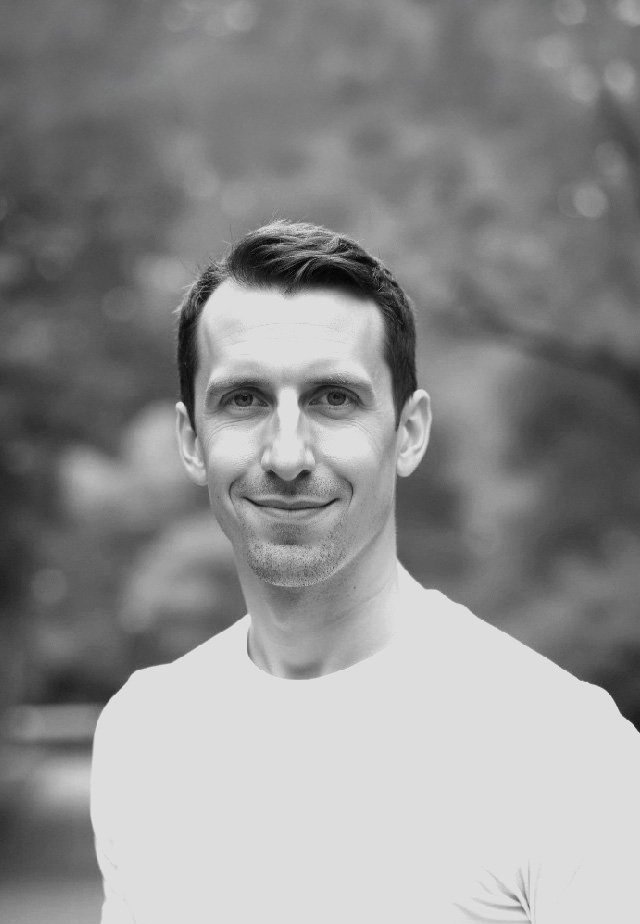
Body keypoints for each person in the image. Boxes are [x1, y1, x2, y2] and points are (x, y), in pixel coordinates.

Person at [90, 220, 640, 923]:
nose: (287, 455)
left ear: (408, 433)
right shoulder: (144, 732)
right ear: (192, 442)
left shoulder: (563, 751)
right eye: (245, 400)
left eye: (334, 399)